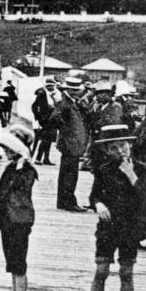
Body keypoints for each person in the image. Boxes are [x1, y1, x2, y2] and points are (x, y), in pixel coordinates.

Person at [76, 124, 146, 291]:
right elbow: (94, 195)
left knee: (126, 272)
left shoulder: (141, 168)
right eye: (114, 148)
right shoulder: (104, 169)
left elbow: (145, 198)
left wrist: (131, 174)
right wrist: (98, 204)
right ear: (107, 150)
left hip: (129, 226)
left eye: (123, 146)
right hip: (108, 227)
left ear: (130, 146)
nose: (120, 152)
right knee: (101, 271)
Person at [0, 124, 38, 291]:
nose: (6, 152)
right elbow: (8, 192)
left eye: (9, 149)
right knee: (12, 263)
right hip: (8, 220)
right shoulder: (10, 168)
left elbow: (22, 190)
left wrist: (21, 165)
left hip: (19, 221)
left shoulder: (26, 170)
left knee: (19, 265)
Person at [50, 76, 89, 212]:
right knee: (70, 174)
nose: (76, 92)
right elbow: (54, 118)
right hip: (70, 145)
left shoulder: (69, 102)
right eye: (74, 90)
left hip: (71, 144)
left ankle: (63, 201)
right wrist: (66, 133)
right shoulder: (65, 103)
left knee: (66, 173)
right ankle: (69, 201)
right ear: (69, 90)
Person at [30, 78, 56, 165]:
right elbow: (34, 106)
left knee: (48, 139)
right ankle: (37, 158)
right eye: (49, 86)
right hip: (43, 120)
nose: (51, 87)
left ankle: (46, 158)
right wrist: (38, 118)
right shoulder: (41, 93)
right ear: (46, 86)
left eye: (52, 86)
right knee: (42, 139)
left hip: (50, 120)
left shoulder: (53, 93)